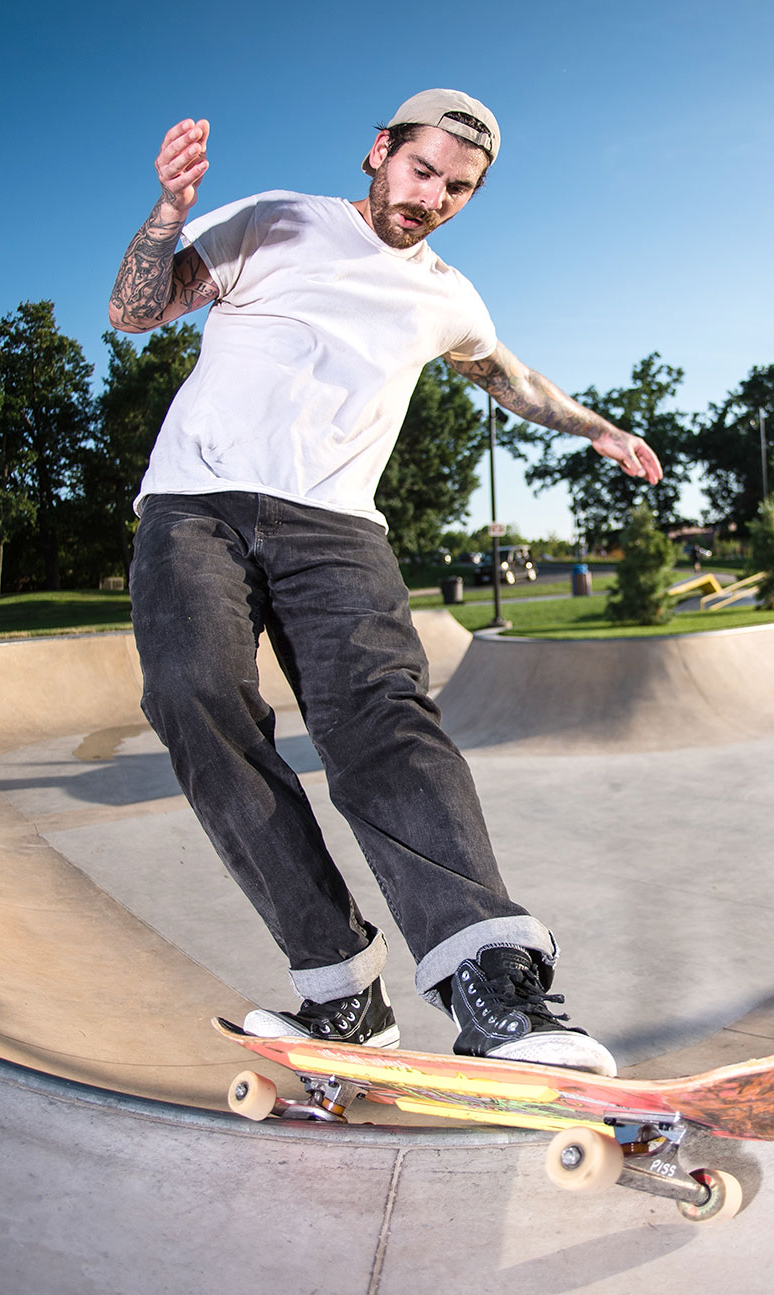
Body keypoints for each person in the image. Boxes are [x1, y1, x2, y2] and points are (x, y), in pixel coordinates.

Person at [108, 91, 665, 1077]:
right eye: (420, 172)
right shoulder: (275, 219)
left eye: (457, 189)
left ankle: (494, 985)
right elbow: (135, 312)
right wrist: (164, 214)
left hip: (337, 528)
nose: (432, 199)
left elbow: (514, 380)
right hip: (194, 504)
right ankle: (338, 988)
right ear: (378, 151)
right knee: (193, 700)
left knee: (381, 722)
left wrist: (601, 431)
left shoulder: (448, 295)